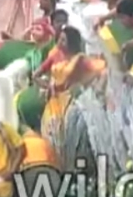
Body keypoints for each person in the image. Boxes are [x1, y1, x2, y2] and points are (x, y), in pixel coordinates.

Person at [32, 27, 99, 168]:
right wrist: (48, 86)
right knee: (51, 134)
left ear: (71, 42)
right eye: (60, 39)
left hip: (71, 100)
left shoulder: (79, 58)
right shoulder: (54, 55)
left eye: (63, 40)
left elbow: (96, 72)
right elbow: (35, 75)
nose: (59, 42)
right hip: (53, 101)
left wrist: (80, 85)